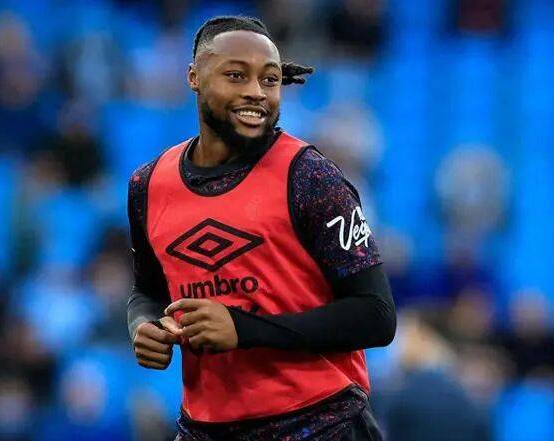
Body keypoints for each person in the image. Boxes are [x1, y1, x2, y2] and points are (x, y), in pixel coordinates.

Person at [127, 15, 396, 440]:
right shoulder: (148, 186)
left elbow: (376, 316)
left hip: (319, 423)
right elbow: (148, 291)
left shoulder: (310, 177)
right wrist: (144, 326)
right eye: (236, 75)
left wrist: (244, 330)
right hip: (206, 428)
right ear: (194, 77)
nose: (256, 91)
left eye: (270, 80)